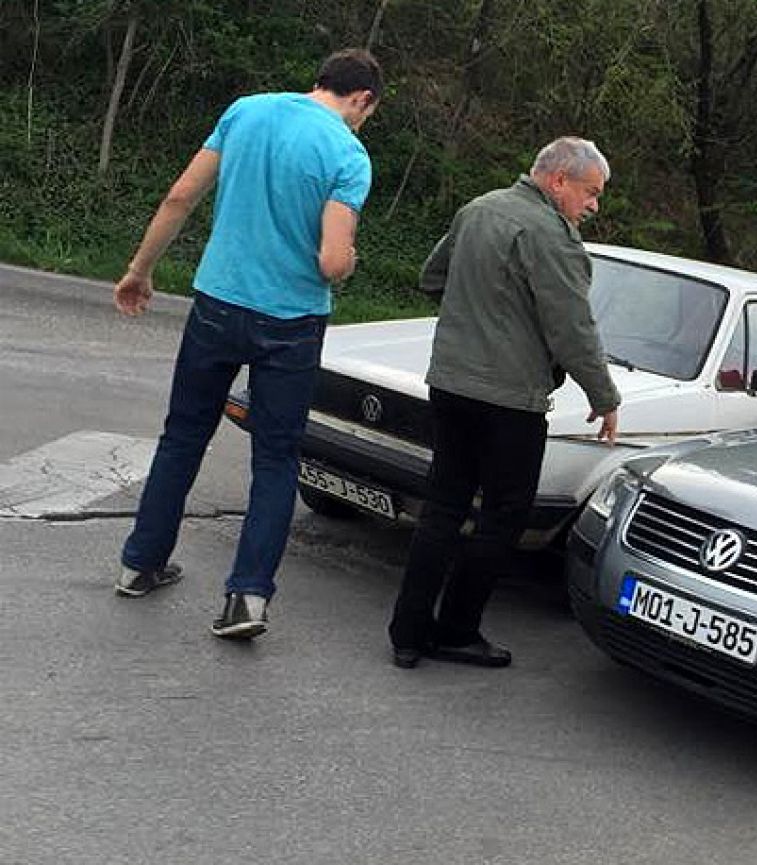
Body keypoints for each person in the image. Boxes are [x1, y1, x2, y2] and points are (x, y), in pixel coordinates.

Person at [112, 49, 383, 641]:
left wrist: (140, 269)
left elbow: (181, 195)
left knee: (182, 437)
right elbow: (332, 261)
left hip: (217, 304)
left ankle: (139, 564)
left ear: (321, 81)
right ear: (362, 99)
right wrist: (349, 263)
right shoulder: (347, 153)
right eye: (368, 113)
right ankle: (247, 600)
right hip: (289, 324)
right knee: (275, 458)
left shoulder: (246, 111)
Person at [388, 137, 621, 669]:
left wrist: (480, 311)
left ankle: (407, 633)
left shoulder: (479, 209)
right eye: (591, 193)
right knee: (502, 517)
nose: (593, 206)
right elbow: (572, 329)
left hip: (450, 384)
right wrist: (603, 395)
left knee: (443, 507)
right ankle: (456, 631)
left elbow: (432, 277)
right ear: (559, 180)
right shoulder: (551, 236)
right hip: (511, 401)